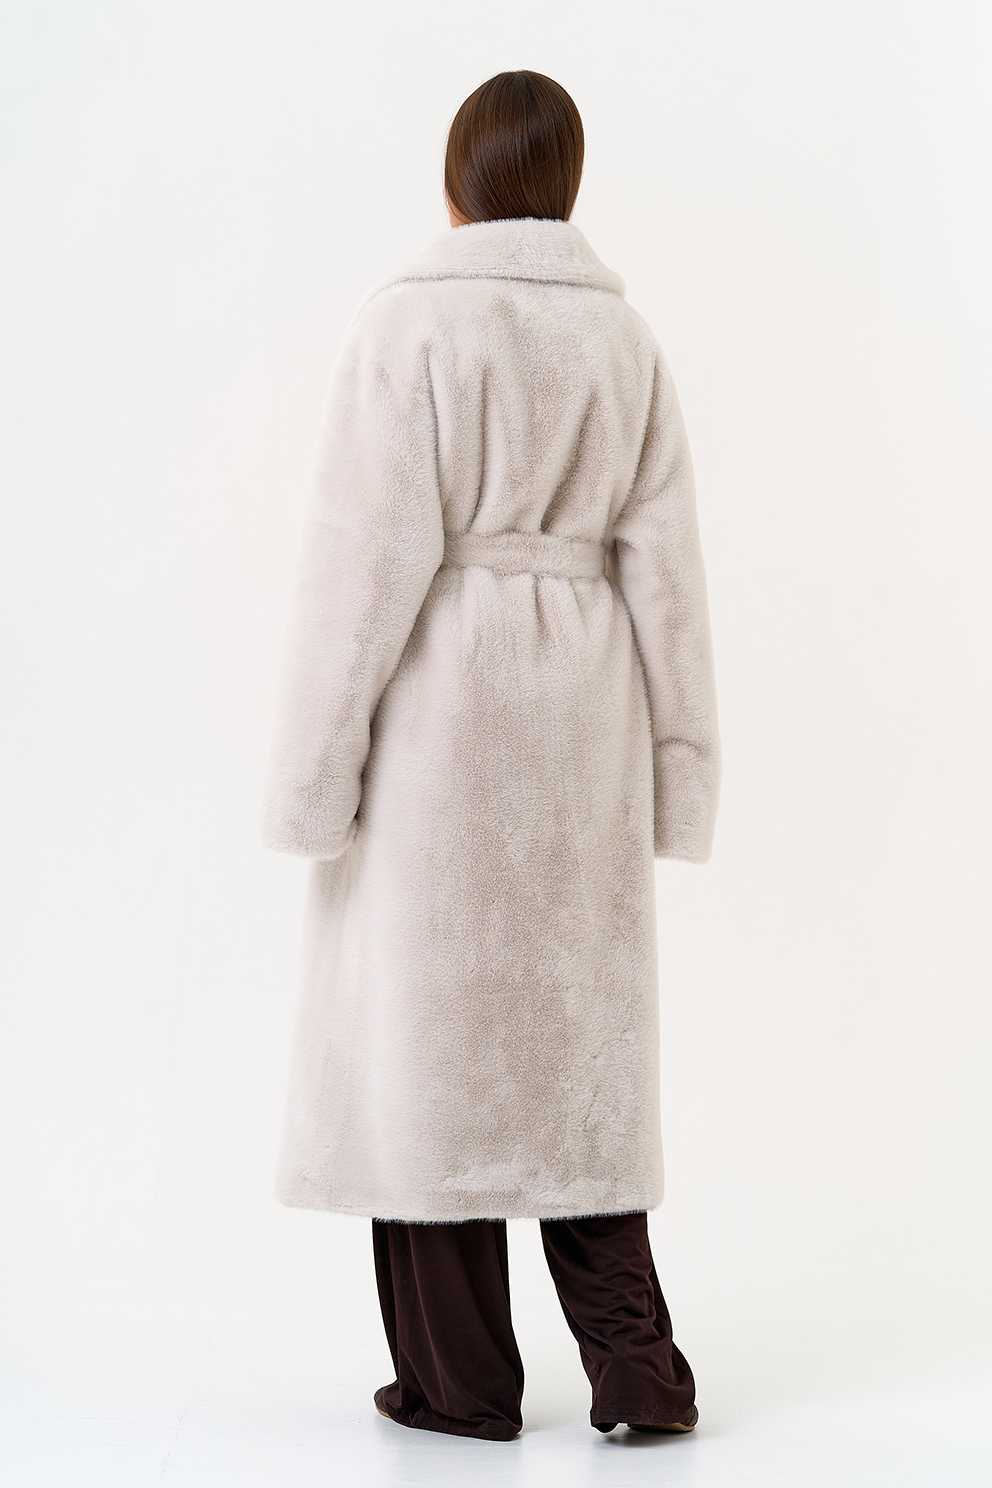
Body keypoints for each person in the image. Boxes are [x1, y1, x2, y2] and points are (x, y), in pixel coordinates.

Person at [260, 69, 721, 1442]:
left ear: (455, 183)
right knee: (582, 1058)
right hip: (585, 723)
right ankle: (638, 1369)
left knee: (433, 1062)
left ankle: (460, 1387)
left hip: (442, 725)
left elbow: (359, 567)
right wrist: (680, 769)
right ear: (566, 185)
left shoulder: (409, 325)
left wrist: (312, 774)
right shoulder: (625, 343)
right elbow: (671, 580)